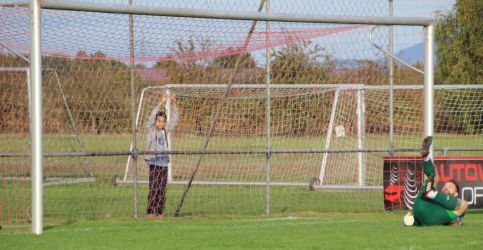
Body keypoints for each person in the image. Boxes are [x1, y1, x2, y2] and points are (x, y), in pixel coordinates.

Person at [405, 136, 468, 226]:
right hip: (422, 205)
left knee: (463, 204)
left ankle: (430, 193)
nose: (446, 188)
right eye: (445, 186)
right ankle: (426, 156)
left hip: (426, 214)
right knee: (435, 177)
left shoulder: (455, 206)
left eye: (450, 187)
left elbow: (455, 223)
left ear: (456, 193)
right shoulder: (437, 196)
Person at [145, 94, 179, 218]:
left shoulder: (165, 130)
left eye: (163, 121)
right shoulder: (151, 129)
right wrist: (161, 103)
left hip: (163, 162)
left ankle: (160, 212)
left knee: (161, 188)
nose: (161, 124)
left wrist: (174, 103)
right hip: (154, 162)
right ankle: (150, 211)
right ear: (155, 121)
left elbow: (175, 120)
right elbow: (150, 117)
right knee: (153, 187)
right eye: (158, 121)